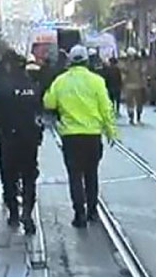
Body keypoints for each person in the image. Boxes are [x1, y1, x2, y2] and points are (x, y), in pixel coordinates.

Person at [44, 44, 117, 228]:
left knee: (75, 175)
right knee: (91, 174)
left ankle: (79, 214)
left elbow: (49, 103)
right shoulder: (97, 81)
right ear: (86, 60)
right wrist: (110, 132)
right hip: (92, 136)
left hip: (70, 137)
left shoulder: (60, 81)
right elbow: (106, 108)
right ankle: (93, 211)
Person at [0, 51, 44, 235]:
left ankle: (14, 213)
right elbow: (39, 113)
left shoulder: (2, 88)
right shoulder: (33, 86)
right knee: (30, 176)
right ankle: (28, 213)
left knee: (9, 175)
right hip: (29, 139)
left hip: (7, 138)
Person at [120, 47, 147, 125]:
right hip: (133, 86)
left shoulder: (133, 63)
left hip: (135, 86)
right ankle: (133, 118)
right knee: (133, 104)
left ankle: (136, 118)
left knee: (137, 103)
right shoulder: (135, 63)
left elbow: (143, 72)